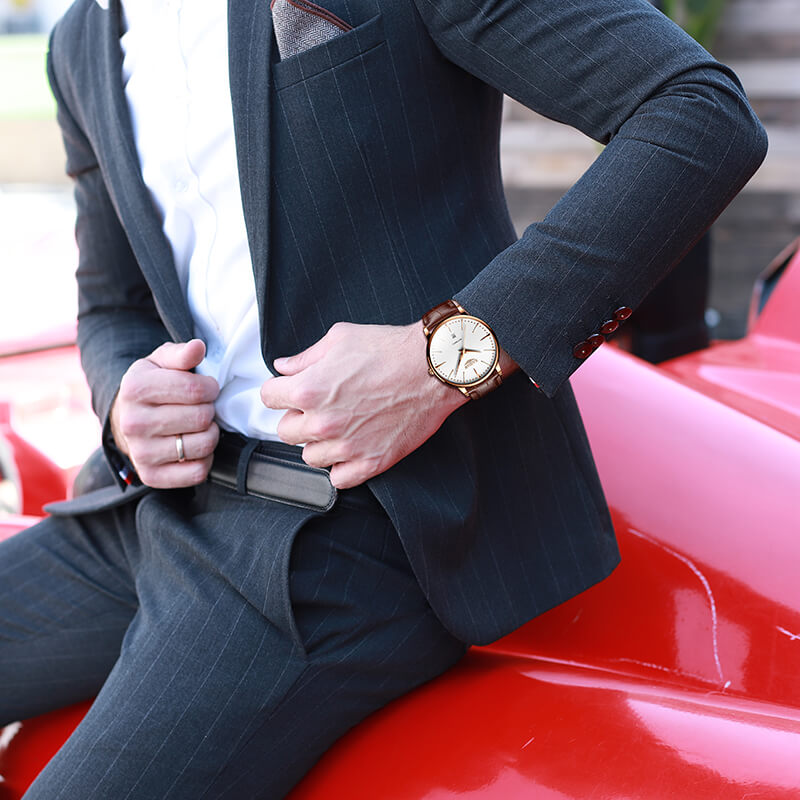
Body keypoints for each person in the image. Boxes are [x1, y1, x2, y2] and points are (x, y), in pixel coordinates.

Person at [0, 0, 766, 797]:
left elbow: (697, 113)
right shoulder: (81, 39)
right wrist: (124, 400)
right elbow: (112, 304)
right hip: (155, 511)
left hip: (355, 529)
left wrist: (439, 362)